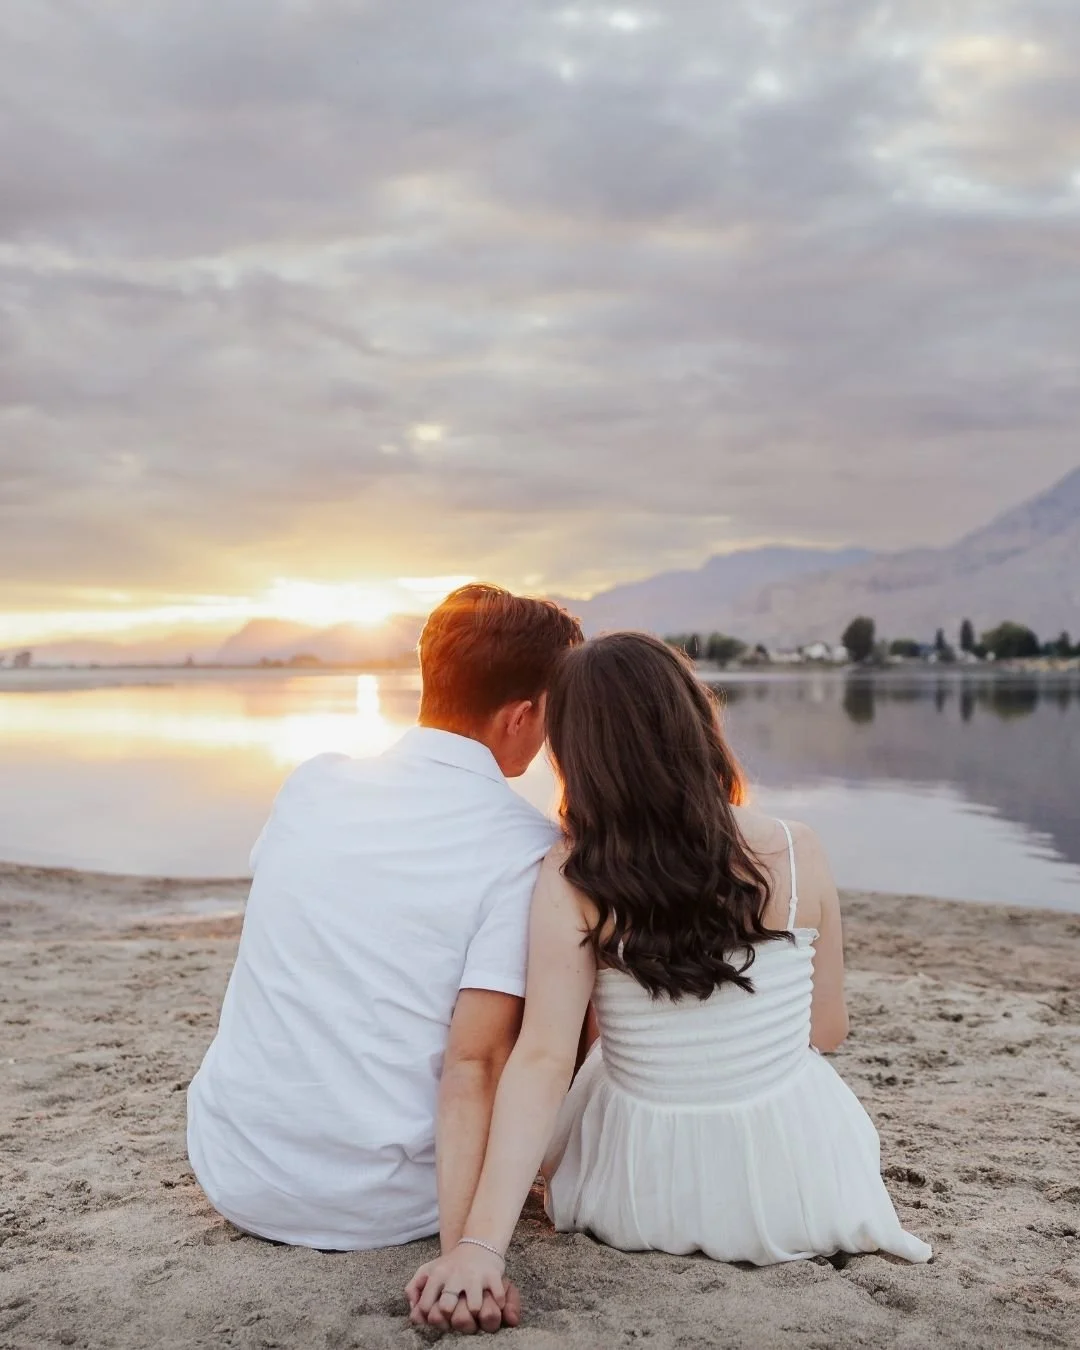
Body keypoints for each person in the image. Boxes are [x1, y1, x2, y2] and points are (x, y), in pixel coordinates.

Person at [408, 632, 931, 1329]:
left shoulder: (573, 875)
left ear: (577, 755)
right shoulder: (796, 847)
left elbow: (542, 1061)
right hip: (802, 1191)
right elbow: (827, 1031)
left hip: (633, 1197)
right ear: (695, 721)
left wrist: (479, 1248)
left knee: (589, 1043)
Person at [187, 584, 582, 1332]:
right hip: (387, 1203)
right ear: (522, 715)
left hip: (237, 1168)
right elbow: (480, 1062)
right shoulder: (524, 848)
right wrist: (469, 1250)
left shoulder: (312, 783)